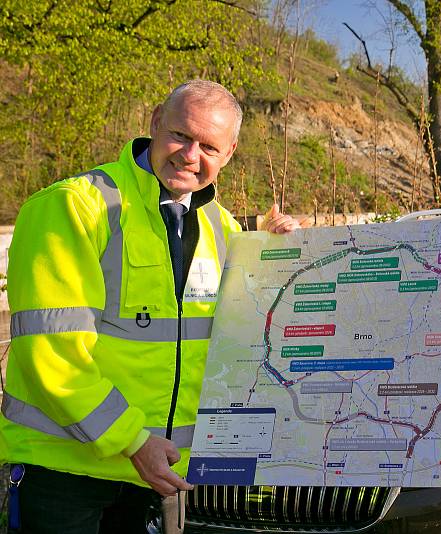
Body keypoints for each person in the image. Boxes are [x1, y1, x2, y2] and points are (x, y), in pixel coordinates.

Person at [0, 80, 300, 533]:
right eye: (180, 135)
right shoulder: (75, 207)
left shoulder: (222, 227)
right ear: (156, 120)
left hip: (158, 477)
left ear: (231, 152)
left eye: (209, 147)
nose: (189, 155)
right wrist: (133, 440)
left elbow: (242, 337)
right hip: (68, 473)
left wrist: (282, 251)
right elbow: (53, 354)